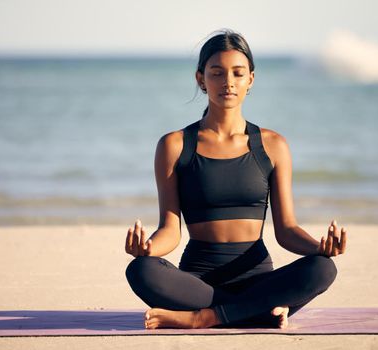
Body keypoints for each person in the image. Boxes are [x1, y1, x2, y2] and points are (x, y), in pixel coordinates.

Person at [124, 29, 347, 329]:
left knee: (322, 269)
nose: (228, 82)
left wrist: (319, 248)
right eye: (216, 73)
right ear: (200, 79)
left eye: (237, 73)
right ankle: (256, 312)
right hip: (197, 283)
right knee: (140, 270)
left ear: (250, 80)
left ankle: (206, 317)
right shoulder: (174, 145)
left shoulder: (272, 145)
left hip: (258, 280)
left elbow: (287, 230)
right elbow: (170, 230)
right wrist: (148, 248)